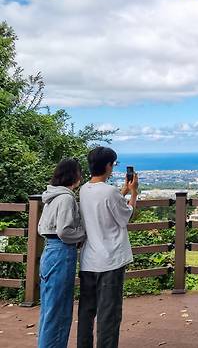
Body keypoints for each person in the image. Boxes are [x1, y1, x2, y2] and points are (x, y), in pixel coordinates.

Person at [77, 147, 138, 348]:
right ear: (108, 165)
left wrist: (122, 191)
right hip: (110, 261)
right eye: (113, 164)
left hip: (88, 260)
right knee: (109, 314)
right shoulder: (109, 192)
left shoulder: (84, 189)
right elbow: (126, 215)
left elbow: (104, 203)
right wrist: (133, 193)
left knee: (86, 311)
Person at [37, 158, 86, 348]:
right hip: (61, 252)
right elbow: (64, 231)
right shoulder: (66, 198)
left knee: (49, 308)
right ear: (74, 175)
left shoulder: (51, 197)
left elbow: (43, 228)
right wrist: (83, 234)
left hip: (49, 250)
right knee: (60, 310)